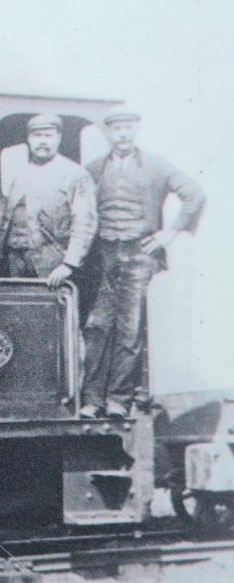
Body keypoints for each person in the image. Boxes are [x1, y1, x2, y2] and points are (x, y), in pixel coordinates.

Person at [79, 108, 206, 419]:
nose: (123, 133)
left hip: (140, 254)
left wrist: (170, 232)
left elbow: (194, 193)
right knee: (97, 326)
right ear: (108, 132)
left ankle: (118, 401)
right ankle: (92, 400)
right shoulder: (94, 169)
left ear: (137, 129)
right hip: (104, 257)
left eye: (128, 127)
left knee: (130, 328)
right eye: (116, 128)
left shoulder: (156, 165)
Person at [0, 114, 98, 290]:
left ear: (59, 138)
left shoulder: (75, 175)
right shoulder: (20, 177)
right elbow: (7, 222)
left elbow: (85, 223)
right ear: (29, 139)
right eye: (37, 136)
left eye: (48, 136)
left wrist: (69, 265)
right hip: (15, 266)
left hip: (52, 268)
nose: (42, 141)